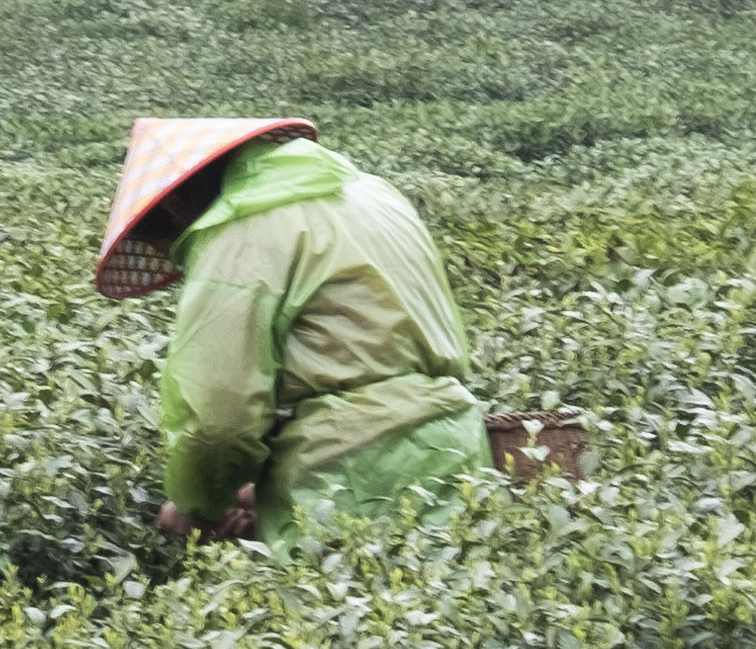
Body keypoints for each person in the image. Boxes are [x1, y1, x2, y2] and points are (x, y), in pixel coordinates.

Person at [95, 115, 482, 544]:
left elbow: (220, 421)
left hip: (351, 472)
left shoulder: (239, 232)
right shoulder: (372, 194)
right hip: (457, 448)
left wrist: (197, 504)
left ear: (172, 208)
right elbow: (352, 353)